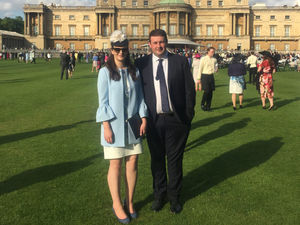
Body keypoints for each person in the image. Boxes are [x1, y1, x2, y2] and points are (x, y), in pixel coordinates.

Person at [136, 29, 195, 214]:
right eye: (155, 43)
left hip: (176, 120)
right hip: (153, 121)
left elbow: (189, 90)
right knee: (157, 161)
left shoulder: (180, 61)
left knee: (175, 161)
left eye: (161, 42)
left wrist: (187, 116)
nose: (158, 46)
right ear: (149, 44)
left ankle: (175, 198)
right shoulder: (141, 64)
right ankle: (159, 196)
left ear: (166, 42)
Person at [96, 30, 148, 224]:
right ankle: (117, 204)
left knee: (133, 161)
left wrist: (144, 118)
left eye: (124, 49)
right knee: (116, 164)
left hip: (133, 124)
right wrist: (106, 126)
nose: (120, 53)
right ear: (111, 50)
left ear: (128, 49)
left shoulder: (135, 71)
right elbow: (103, 102)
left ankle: (130, 202)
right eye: (117, 49)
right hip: (114, 125)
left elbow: (141, 98)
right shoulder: (105, 72)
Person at [197, 47, 218, 111]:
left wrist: (216, 69)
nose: (213, 53)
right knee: (206, 91)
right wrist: (198, 78)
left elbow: (215, 67)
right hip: (204, 76)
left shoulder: (214, 59)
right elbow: (200, 68)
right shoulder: (203, 59)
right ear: (208, 52)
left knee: (211, 92)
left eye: (213, 52)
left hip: (211, 76)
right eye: (212, 52)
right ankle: (202, 104)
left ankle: (208, 106)